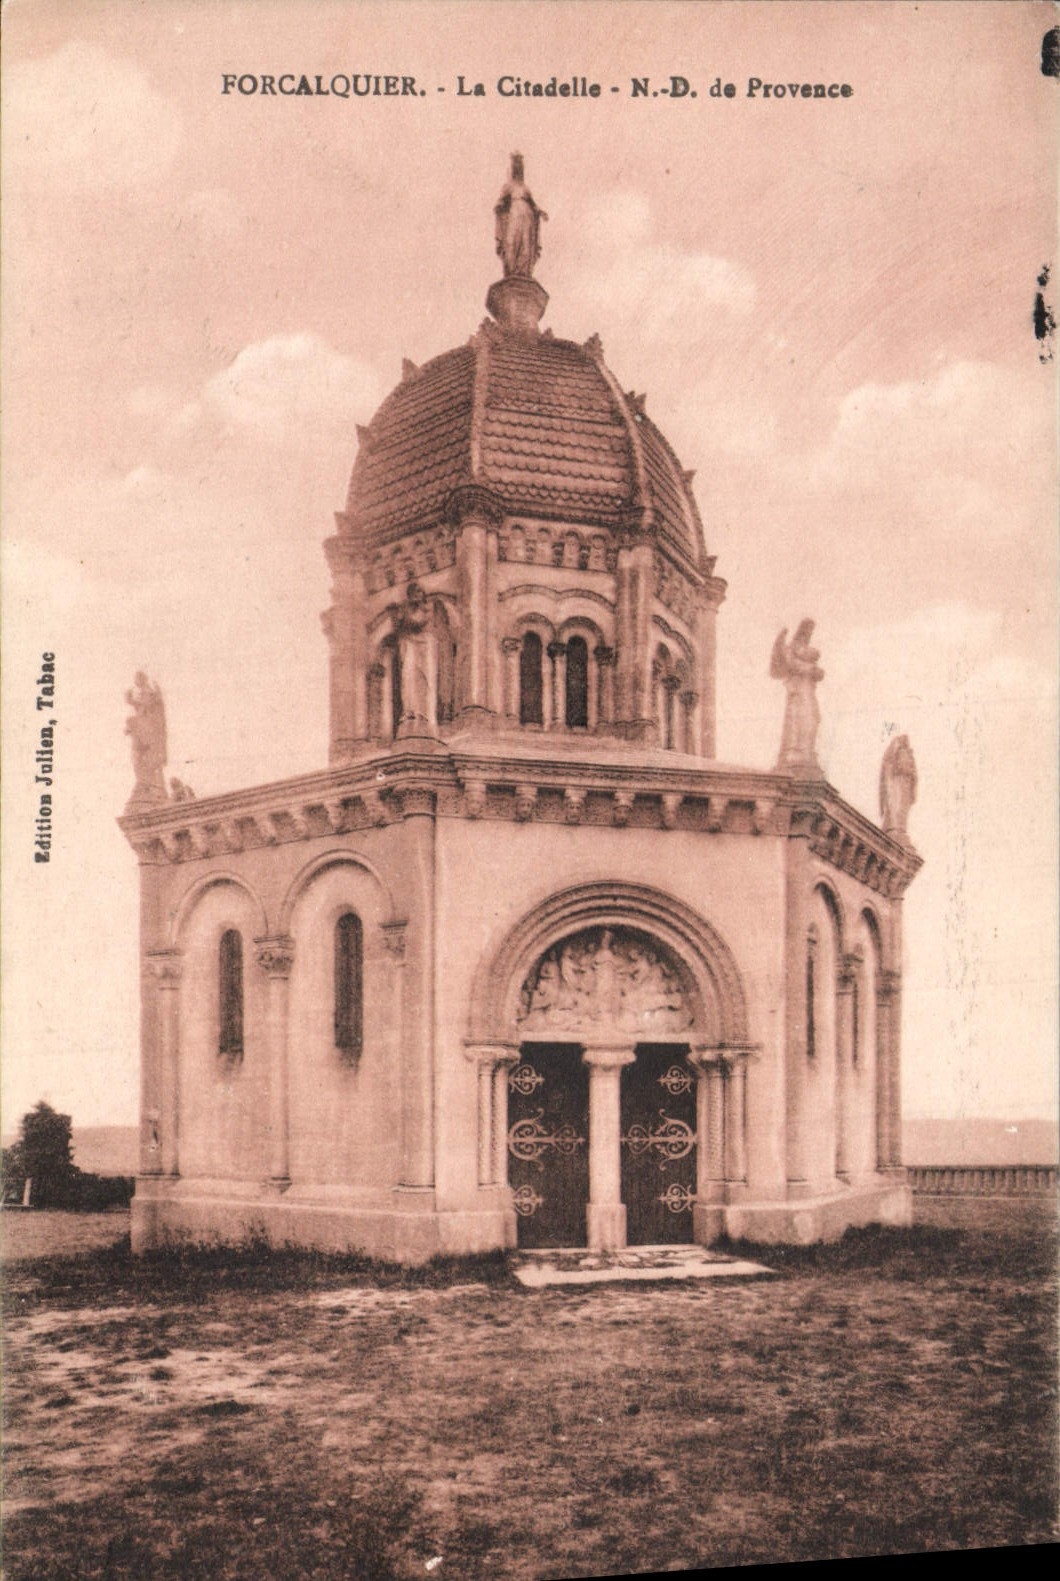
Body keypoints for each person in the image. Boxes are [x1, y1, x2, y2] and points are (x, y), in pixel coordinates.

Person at [770, 619, 824, 770]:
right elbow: (789, 665)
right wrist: (810, 669)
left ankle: (807, 752)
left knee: (814, 719)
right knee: (799, 719)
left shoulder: (805, 651)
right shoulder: (791, 649)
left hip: (808, 689)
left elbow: (816, 672)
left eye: (811, 631)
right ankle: (796, 752)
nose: (809, 634)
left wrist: (816, 672)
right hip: (798, 690)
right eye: (807, 630)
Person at [494, 153, 548, 278]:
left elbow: (533, 204)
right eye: (516, 165)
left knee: (525, 243)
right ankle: (512, 270)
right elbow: (501, 200)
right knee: (512, 241)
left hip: (527, 217)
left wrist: (540, 212)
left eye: (520, 166)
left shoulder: (526, 188)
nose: (518, 168)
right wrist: (499, 206)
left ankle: (523, 272)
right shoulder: (508, 186)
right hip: (513, 214)